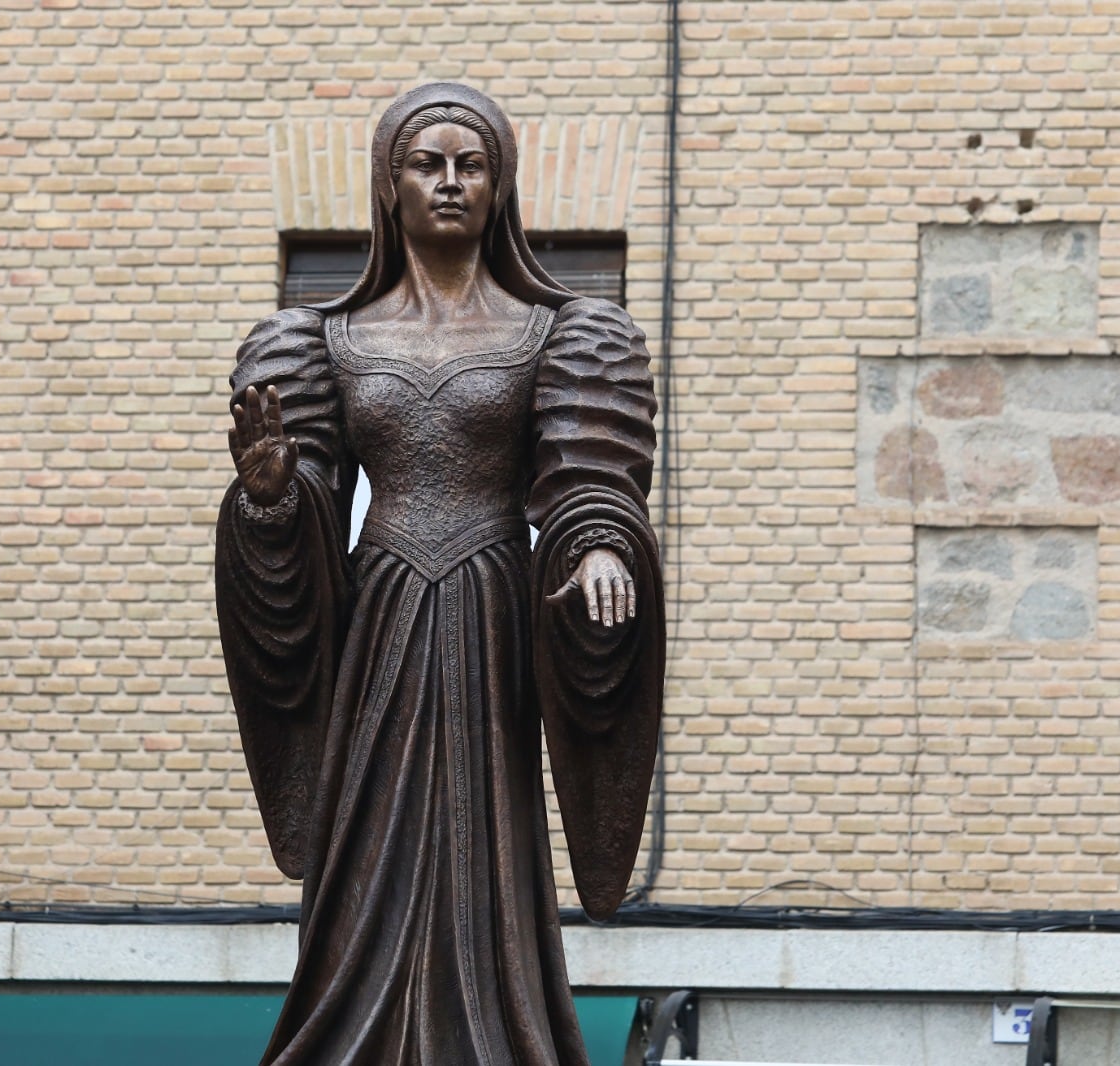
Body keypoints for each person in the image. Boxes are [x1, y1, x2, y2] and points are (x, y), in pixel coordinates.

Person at [216, 82, 664, 1066]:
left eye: (473, 164)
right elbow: (300, 522)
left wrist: (596, 545)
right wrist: (270, 498)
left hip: (492, 611)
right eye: (428, 164)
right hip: (379, 620)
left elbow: (587, 474)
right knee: (363, 842)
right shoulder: (322, 339)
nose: (451, 182)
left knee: (488, 845)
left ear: (500, 187)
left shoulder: (563, 332)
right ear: (389, 186)